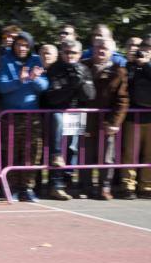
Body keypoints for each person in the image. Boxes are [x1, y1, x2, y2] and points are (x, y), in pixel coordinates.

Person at [0, 31, 48, 202]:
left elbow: (44, 86)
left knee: (31, 153)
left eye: (25, 45)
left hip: (31, 116)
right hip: (10, 116)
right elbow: (2, 86)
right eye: (19, 44)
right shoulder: (5, 59)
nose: (22, 48)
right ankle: (11, 188)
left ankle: (27, 188)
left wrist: (34, 79)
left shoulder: (35, 60)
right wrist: (19, 80)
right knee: (11, 153)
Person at [42, 39, 95, 200]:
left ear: (79, 54)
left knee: (73, 149)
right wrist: (71, 86)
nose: (70, 56)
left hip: (75, 113)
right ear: (61, 53)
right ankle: (55, 184)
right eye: (67, 52)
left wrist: (81, 83)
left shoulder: (84, 69)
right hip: (58, 112)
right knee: (56, 151)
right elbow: (53, 97)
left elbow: (90, 96)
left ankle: (68, 182)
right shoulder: (55, 69)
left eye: (74, 53)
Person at [80, 38, 128, 200]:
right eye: (98, 47)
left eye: (105, 48)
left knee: (107, 155)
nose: (101, 51)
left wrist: (115, 122)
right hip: (85, 118)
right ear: (92, 49)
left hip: (107, 121)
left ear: (112, 51)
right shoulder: (83, 65)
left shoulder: (119, 71)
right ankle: (85, 186)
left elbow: (122, 99)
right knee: (85, 154)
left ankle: (104, 187)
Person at [119, 35, 151, 199]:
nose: (145, 50)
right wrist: (134, 65)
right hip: (134, 114)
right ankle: (128, 185)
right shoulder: (131, 66)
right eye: (144, 47)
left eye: (149, 48)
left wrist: (146, 65)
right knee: (130, 153)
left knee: (149, 154)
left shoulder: (147, 66)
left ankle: (146, 185)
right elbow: (126, 84)